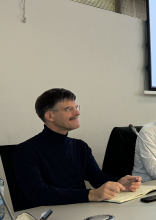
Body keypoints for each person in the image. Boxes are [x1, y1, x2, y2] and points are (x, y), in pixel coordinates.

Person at [13, 88, 142, 210]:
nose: (77, 113)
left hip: (81, 210)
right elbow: (39, 194)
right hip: (50, 213)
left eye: (76, 107)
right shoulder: (25, 151)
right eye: (69, 109)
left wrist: (119, 182)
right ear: (50, 116)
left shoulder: (80, 146)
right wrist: (91, 194)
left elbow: (97, 178)